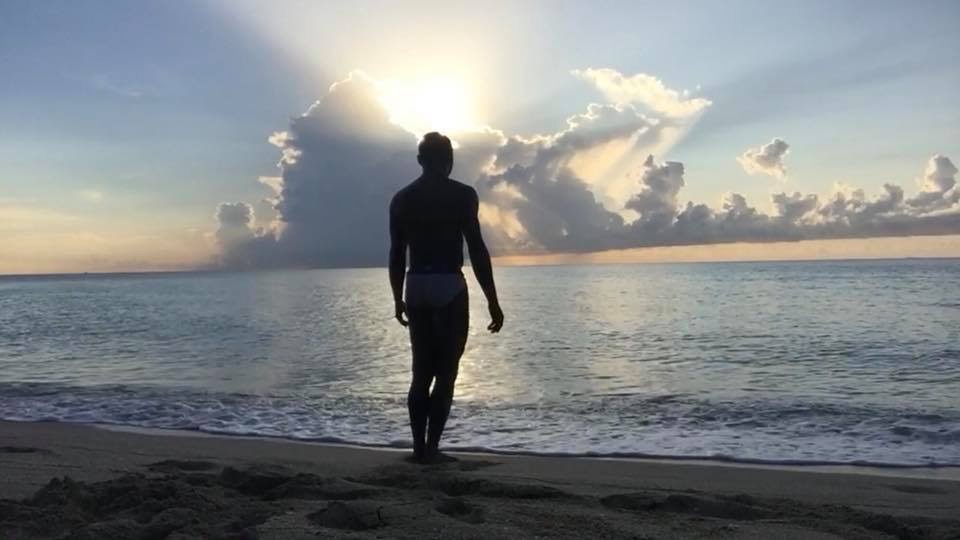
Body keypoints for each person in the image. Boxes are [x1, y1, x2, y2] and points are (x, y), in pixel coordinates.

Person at [389, 131, 504, 464]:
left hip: (417, 284)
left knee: (421, 372)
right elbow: (477, 249)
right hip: (449, 283)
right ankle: (434, 449)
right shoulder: (462, 195)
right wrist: (492, 300)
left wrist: (398, 297)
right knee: (447, 372)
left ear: (420, 161)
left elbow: (397, 253)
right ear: (449, 160)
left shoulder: (402, 198)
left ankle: (417, 450)